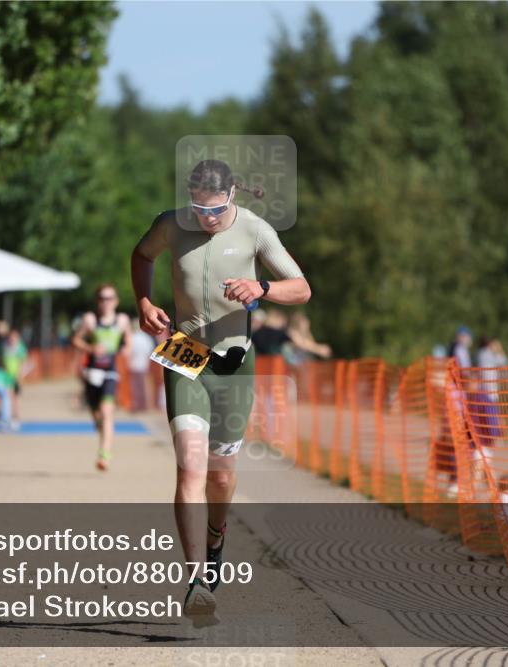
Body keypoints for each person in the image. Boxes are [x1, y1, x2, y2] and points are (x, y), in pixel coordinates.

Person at [131, 158, 311, 621]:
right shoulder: (170, 225)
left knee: (220, 476)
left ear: (232, 196)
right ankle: (195, 583)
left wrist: (261, 286)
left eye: (214, 210)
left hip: (234, 362)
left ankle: (216, 537)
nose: (205, 219)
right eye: (197, 209)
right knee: (190, 467)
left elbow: (302, 288)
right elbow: (142, 256)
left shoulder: (255, 230)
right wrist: (145, 302)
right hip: (184, 352)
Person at [71, 284, 132, 471]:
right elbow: (76, 340)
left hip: (110, 373)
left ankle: (104, 454)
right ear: (98, 301)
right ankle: (102, 432)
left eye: (110, 298)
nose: (106, 302)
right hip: (91, 373)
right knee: (97, 415)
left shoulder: (122, 320)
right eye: (102, 298)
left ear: (116, 301)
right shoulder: (90, 320)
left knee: (107, 412)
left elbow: (128, 343)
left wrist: (123, 351)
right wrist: (91, 349)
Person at [128, 329, 158, 412]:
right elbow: (150, 350)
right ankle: (144, 405)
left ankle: (138, 405)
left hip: (134, 365)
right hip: (144, 365)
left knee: (135, 387)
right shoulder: (146, 338)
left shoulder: (134, 337)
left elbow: (129, 350)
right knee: (144, 387)